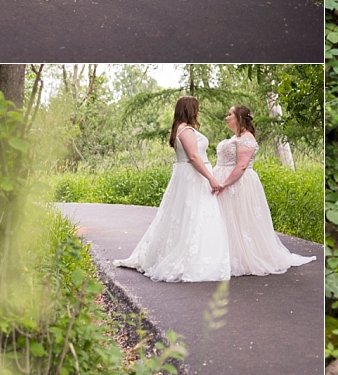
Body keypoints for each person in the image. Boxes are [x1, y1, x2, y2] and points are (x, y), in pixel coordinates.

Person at [114, 97, 230, 282]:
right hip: (194, 178)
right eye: (196, 109)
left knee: (190, 216)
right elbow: (193, 156)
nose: (198, 112)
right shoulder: (185, 130)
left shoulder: (181, 128)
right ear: (190, 110)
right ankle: (191, 258)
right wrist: (211, 179)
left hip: (189, 176)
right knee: (194, 215)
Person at [212, 106, 316, 277]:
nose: (226, 117)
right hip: (224, 181)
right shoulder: (236, 137)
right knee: (227, 218)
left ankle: (243, 257)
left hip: (236, 184)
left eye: (230, 114)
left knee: (239, 218)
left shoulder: (247, 139)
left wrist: (224, 183)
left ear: (239, 117)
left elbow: (242, 165)